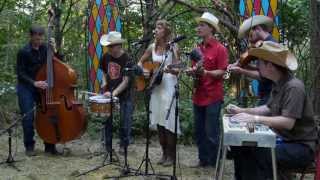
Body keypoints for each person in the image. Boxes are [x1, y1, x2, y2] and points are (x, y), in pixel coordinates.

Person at [226, 41, 317, 180]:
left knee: (261, 152)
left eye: (260, 63)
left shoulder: (294, 87)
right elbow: (268, 108)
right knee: (241, 147)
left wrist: (254, 119)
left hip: (300, 147)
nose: (257, 66)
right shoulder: (279, 83)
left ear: (270, 66)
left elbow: (288, 122)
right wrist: (242, 111)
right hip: (284, 140)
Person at [186, 12, 229, 167]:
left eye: (202, 25)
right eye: (198, 25)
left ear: (211, 29)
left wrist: (206, 73)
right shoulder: (196, 49)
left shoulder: (220, 49)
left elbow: (223, 72)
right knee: (199, 131)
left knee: (212, 132)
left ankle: (214, 163)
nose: (198, 28)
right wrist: (192, 71)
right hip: (198, 95)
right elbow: (194, 68)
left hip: (213, 97)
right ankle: (203, 160)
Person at [138, 20, 180, 166]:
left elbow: (178, 69)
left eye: (159, 27)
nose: (155, 30)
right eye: (155, 27)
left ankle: (171, 156)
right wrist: (144, 71)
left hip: (169, 87)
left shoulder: (173, 46)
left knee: (169, 122)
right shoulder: (151, 47)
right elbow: (140, 62)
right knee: (159, 122)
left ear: (166, 31)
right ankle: (164, 153)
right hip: (156, 88)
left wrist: (171, 67)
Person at [16, 25, 61, 156]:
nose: (39, 42)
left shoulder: (46, 49)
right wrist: (34, 82)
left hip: (42, 87)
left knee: (48, 115)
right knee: (28, 117)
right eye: (36, 39)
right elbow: (20, 73)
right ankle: (29, 146)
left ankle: (49, 145)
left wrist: (55, 49)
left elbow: (58, 62)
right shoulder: (23, 52)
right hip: (27, 87)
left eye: (41, 39)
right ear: (30, 37)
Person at [99, 31, 134, 155]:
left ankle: (123, 146)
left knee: (125, 121)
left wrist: (114, 93)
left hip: (124, 94)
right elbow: (104, 73)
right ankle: (108, 146)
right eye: (108, 46)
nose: (108, 48)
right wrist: (104, 83)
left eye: (110, 46)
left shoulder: (128, 59)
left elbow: (126, 81)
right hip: (109, 92)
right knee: (107, 120)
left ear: (118, 46)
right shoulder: (105, 57)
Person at [229, 15, 276, 105]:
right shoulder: (263, 45)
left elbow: (264, 76)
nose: (249, 38)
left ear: (258, 29)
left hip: (272, 95)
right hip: (267, 93)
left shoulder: (269, 46)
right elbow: (262, 69)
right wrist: (248, 66)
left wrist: (241, 70)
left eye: (250, 34)